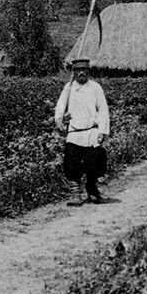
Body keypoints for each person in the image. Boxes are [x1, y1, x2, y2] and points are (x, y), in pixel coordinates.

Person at [53, 58, 110, 205]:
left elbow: (103, 109)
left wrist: (103, 131)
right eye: (78, 70)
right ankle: (75, 194)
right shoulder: (69, 87)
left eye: (84, 70)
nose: (81, 73)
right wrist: (59, 119)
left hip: (92, 132)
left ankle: (92, 190)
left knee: (95, 163)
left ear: (89, 71)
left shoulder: (96, 87)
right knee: (72, 164)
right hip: (74, 133)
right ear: (74, 72)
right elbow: (60, 105)